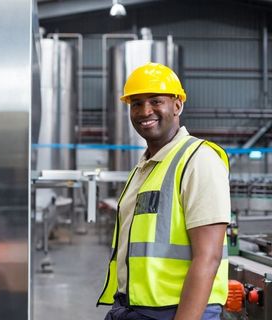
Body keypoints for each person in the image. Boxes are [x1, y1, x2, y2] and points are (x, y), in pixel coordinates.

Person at [97, 62, 230, 320]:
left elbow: (209, 256)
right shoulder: (144, 168)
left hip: (178, 312)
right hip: (132, 308)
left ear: (177, 105)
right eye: (136, 103)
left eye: (156, 101)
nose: (145, 111)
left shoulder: (198, 159)